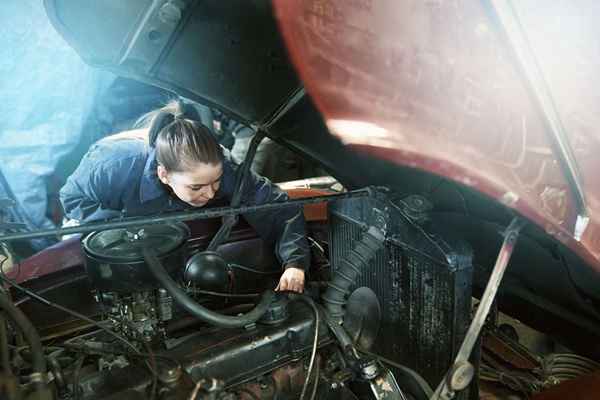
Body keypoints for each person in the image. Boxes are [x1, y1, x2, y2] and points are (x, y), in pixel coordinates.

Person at [59, 101, 309, 292]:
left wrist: (295, 263)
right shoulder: (113, 165)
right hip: (104, 222)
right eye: (197, 187)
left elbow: (276, 208)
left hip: (171, 224)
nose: (210, 194)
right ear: (164, 174)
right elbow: (72, 199)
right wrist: (122, 229)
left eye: (216, 183)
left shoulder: (221, 166)